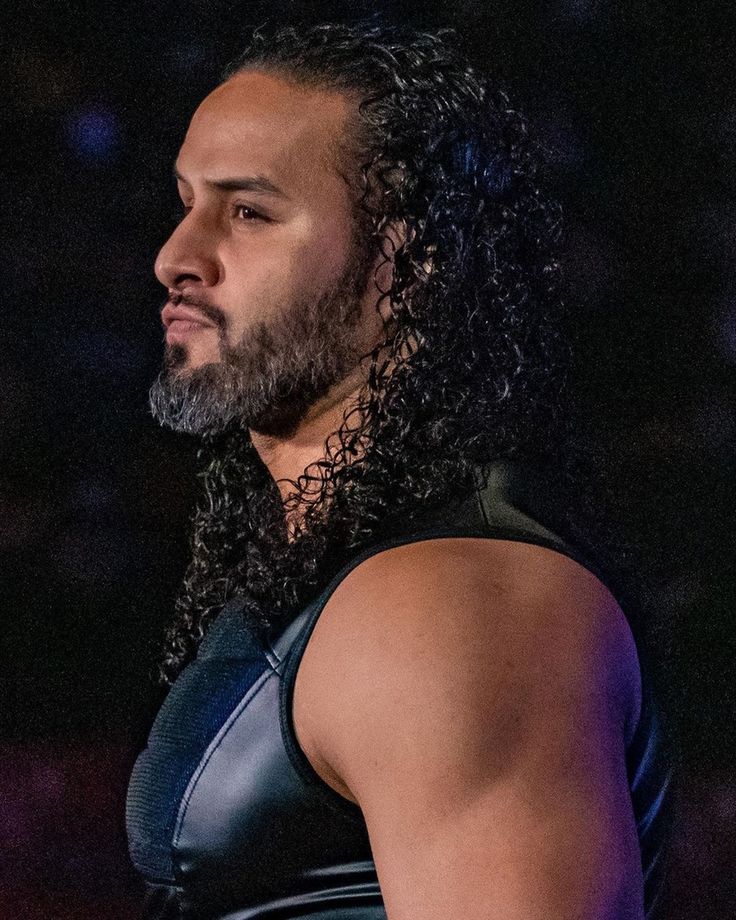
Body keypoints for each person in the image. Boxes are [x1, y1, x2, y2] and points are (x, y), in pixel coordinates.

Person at [126, 21, 673, 920]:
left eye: (249, 211)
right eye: (185, 201)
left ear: (405, 265)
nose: (176, 256)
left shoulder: (454, 603)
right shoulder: (355, 564)